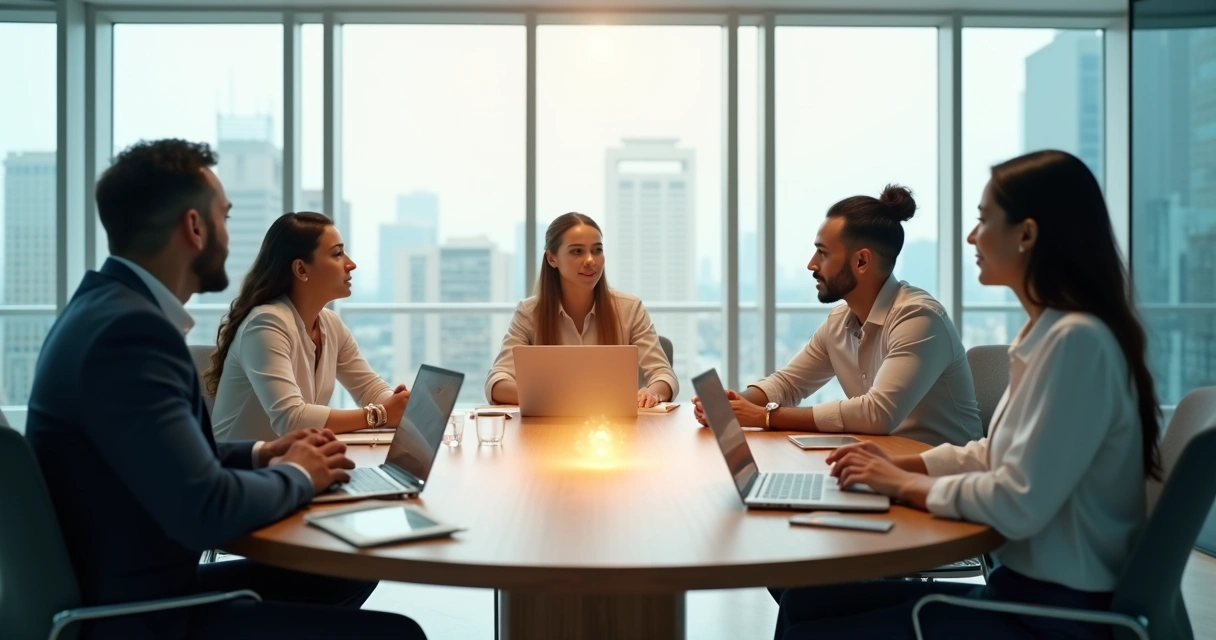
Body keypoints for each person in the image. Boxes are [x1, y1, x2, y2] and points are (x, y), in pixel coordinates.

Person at [24, 139, 426, 640]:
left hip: (138, 588)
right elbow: (207, 508)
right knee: (398, 634)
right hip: (139, 616)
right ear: (195, 227)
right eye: (225, 217)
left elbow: (175, 458)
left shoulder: (106, 311)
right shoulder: (130, 334)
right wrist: (300, 474)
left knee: (346, 571)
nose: (230, 235)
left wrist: (262, 454)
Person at [774, 150, 1162, 640]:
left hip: (1055, 615)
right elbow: (996, 453)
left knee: (810, 631)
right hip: (1019, 592)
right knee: (804, 599)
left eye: (983, 220)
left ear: (1026, 234)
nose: (971, 236)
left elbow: (1015, 501)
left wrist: (901, 484)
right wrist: (903, 465)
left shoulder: (1076, 343)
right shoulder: (1049, 334)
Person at [694, 185, 981, 447]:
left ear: (861, 261)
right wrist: (731, 405)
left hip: (944, 477)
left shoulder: (919, 318)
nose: (811, 264)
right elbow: (788, 384)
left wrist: (765, 417)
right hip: (883, 465)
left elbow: (877, 414)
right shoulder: (841, 321)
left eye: (823, 253)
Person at [208, 212, 410, 442]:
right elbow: (290, 418)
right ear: (301, 270)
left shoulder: (330, 324)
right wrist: (380, 414)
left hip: (291, 457)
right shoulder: (265, 324)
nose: (351, 264)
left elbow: (369, 388)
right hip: (242, 462)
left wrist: (399, 404)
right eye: (337, 254)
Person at [486, 212, 678, 407]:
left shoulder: (629, 308)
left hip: (615, 424)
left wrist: (653, 393)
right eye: (577, 251)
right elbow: (497, 382)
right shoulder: (529, 313)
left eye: (597, 250)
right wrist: (556, 398)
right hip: (549, 423)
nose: (590, 260)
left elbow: (664, 375)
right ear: (551, 258)